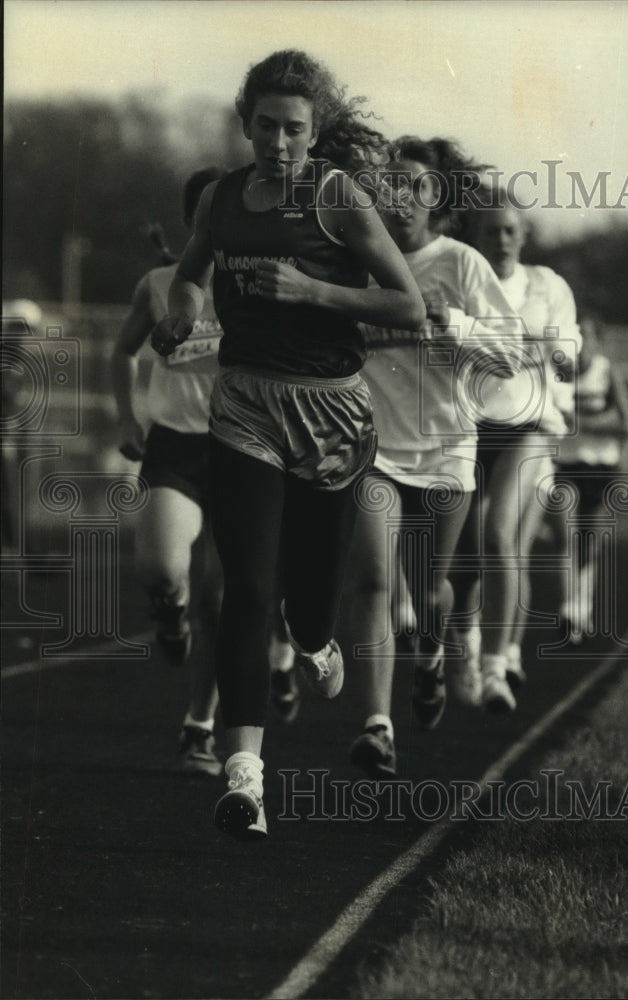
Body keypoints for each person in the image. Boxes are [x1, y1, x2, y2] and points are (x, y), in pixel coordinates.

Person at [150, 50, 425, 839]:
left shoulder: (337, 198)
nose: (278, 143)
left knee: (308, 600)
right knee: (246, 586)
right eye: (265, 126)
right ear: (245, 125)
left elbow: (406, 306)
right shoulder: (227, 199)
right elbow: (190, 273)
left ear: (316, 130)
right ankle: (245, 778)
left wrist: (313, 291)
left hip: (332, 415)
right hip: (244, 405)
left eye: (294, 129)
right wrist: (181, 313)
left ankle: (313, 636)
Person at [342, 137, 522, 778]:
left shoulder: (463, 263)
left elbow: (512, 357)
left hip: (448, 451)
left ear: (437, 197)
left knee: (431, 592)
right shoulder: (360, 258)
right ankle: (377, 727)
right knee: (372, 580)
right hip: (375, 450)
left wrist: (454, 323)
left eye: (416, 186)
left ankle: (432, 658)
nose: (402, 198)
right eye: (390, 185)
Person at [112, 167, 227, 776]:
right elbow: (122, 352)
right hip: (176, 448)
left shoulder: (262, 280)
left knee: (222, 602)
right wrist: (127, 421)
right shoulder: (158, 283)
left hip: (243, 451)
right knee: (160, 569)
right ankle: (169, 607)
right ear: (195, 222)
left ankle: (199, 728)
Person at [451, 190, 581, 711]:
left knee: (500, 535)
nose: (501, 241)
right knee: (463, 563)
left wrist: (561, 357)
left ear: (523, 235)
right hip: (467, 427)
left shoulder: (547, 286)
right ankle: (469, 647)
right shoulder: (462, 281)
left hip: (529, 428)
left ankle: (499, 663)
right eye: (490, 232)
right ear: (474, 238)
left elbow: (567, 345)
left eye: (509, 231)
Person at [550, 313, 628, 641]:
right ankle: (569, 607)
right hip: (566, 465)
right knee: (564, 535)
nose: (581, 342)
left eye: (586, 335)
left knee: (589, 541)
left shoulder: (605, 372)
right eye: (576, 334)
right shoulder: (559, 372)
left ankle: (582, 607)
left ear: (598, 341)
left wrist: (584, 425)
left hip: (600, 466)